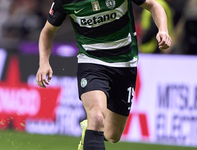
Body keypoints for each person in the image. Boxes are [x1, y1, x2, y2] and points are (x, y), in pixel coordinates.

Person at [36, 0, 171, 150]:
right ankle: (92, 127)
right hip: (91, 61)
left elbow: (154, 5)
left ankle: (89, 131)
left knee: (113, 135)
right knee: (97, 117)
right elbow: (48, 31)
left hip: (124, 63)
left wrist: (163, 30)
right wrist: (44, 62)